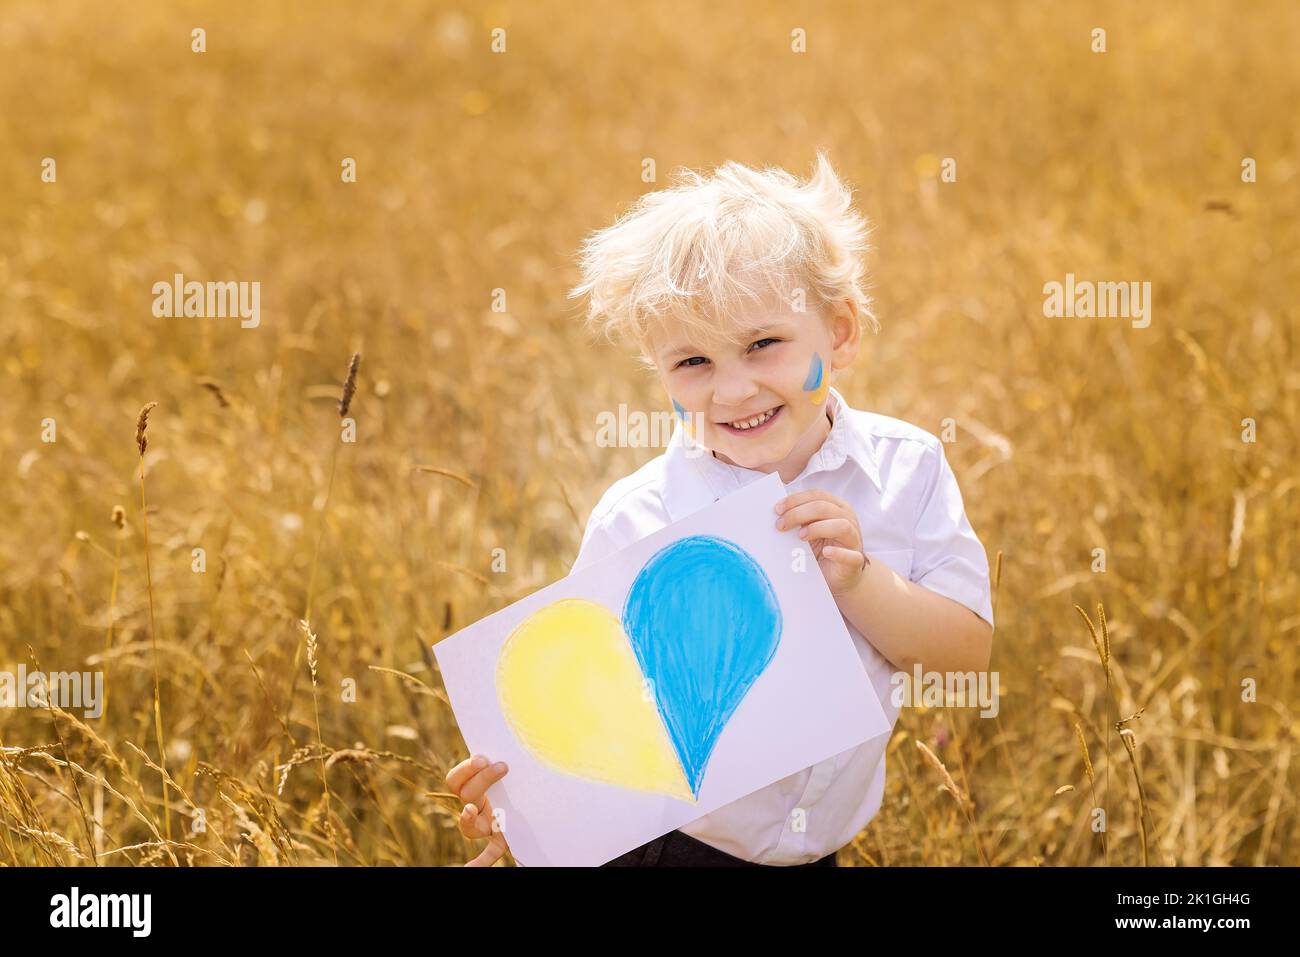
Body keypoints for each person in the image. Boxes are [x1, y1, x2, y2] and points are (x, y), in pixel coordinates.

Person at [447, 151, 994, 866]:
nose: (733, 391)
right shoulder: (639, 515)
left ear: (841, 332)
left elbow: (967, 653)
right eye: (693, 363)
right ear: (660, 372)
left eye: (762, 345)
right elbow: (588, 698)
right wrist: (524, 812)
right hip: (677, 847)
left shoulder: (906, 468)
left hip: (821, 849)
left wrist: (860, 584)